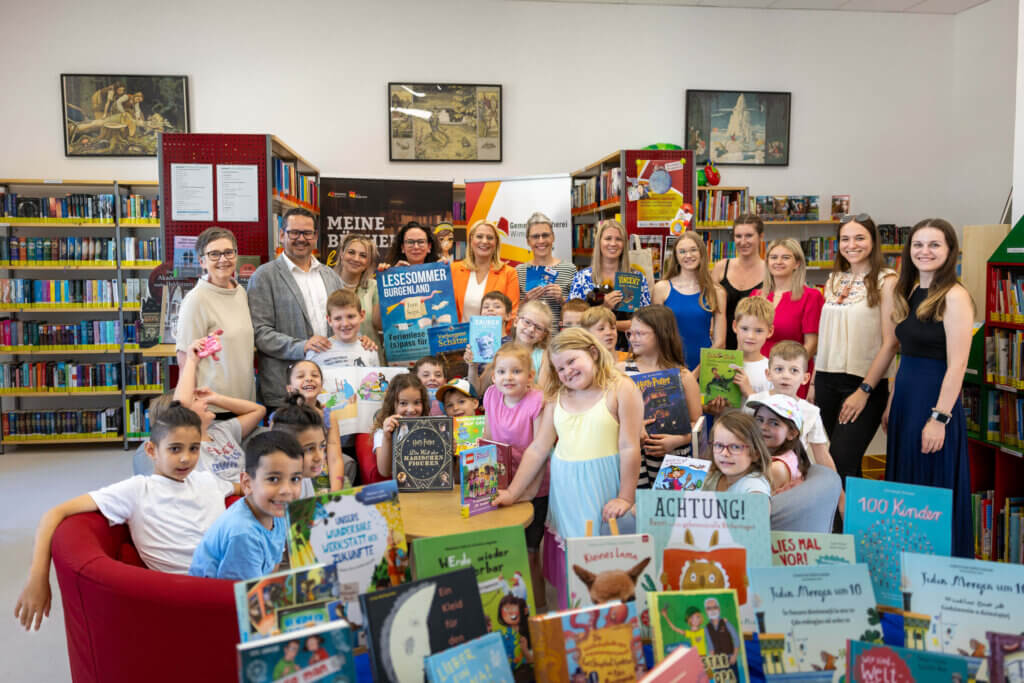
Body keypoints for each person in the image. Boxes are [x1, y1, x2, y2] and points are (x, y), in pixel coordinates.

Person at [14, 399, 237, 631]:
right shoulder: (138, 489)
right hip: (191, 594)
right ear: (152, 450)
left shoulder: (207, 480)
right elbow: (54, 514)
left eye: (194, 448)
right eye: (174, 449)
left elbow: (247, 488)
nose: (186, 458)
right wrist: (38, 578)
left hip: (234, 578)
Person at [494, 328, 643, 608]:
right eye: (559, 368)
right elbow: (538, 448)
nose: (567, 371)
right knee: (573, 572)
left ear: (593, 353)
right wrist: (513, 492)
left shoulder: (620, 388)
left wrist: (626, 496)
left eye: (572, 361)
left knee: (606, 560)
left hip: (604, 490)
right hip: (567, 495)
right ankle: (573, 628)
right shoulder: (556, 397)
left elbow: (629, 446)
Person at [883, 218, 973, 558]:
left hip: (935, 405)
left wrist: (939, 417)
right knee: (907, 491)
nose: (925, 251)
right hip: (906, 402)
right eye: (918, 244)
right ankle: (906, 573)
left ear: (949, 251)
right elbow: (904, 356)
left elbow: (958, 365)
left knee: (932, 491)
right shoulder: (907, 292)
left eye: (934, 245)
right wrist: (892, 403)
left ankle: (939, 573)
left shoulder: (955, 296)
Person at [814, 214, 897, 487]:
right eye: (845, 239)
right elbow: (825, 337)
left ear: (873, 241)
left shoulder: (887, 280)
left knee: (843, 459)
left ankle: (850, 529)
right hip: (826, 380)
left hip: (863, 383)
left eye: (860, 237)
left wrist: (864, 391)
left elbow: (891, 342)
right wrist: (815, 383)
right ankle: (842, 527)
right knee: (826, 463)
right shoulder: (835, 279)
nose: (852, 245)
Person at [248, 208, 344, 410]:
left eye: (307, 233)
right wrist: (302, 346)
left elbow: (342, 324)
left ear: (315, 237)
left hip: (327, 390)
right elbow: (260, 333)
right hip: (285, 391)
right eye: (294, 232)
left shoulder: (330, 276)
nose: (301, 238)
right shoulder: (264, 276)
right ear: (282, 235)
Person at [483, 342, 548, 610]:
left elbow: (539, 452)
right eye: (501, 372)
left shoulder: (537, 401)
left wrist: (524, 493)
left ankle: (540, 610)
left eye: (516, 371)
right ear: (493, 375)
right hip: (500, 484)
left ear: (530, 377)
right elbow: (486, 438)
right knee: (506, 550)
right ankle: (512, 609)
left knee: (531, 552)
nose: (508, 377)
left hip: (535, 486)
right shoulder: (490, 395)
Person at [189, 431, 303, 580]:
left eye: (295, 479)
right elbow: (244, 597)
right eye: (274, 479)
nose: (286, 490)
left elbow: (273, 566)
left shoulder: (277, 511)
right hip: (216, 598)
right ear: (247, 483)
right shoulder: (243, 533)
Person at [619, 305, 702, 487]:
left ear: (661, 334)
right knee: (636, 508)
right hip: (636, 458)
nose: (633, 339)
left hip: (675, 458)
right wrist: (631, 427)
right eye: (630, 333)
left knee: (674, 511)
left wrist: (679, 440)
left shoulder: (683, 376)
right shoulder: (620, 372)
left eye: (640, 333)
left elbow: (698, 423)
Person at [175, 227, 256, 410]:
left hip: (244, 403)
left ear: (236, 256)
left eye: (228, 252)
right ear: (202, 261)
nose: (223, 259)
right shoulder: (196, 300)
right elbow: (185, 361)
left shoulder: (240, 292)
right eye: (214, 254)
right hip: (212, 408)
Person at [744, 341, 839, 487]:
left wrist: (840, 496)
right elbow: (743, 440)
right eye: (779, 369)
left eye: (794, 370)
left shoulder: (810, 411)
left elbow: (822, 455)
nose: (785, 376)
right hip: (753, 475)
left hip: (791, 481)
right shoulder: (755, 401)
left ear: (805, 378)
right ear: (768, 374)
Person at [175, 338, 266, 482]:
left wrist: (215, 397)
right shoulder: (189, 445)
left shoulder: (222, 431)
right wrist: (191, 361)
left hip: (250, 488)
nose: (203, 401)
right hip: (227, 495)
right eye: (196, 400)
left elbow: (258, 411)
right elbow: (181, 403)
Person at [751, 239, 823, 399]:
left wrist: (785, 372)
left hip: (790, 376)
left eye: (785, 257)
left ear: (797, 263)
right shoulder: (756, 295)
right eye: (774, 257)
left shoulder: (811, 296)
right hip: (759, 373)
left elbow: (812, 344)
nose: (778, 262)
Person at [569, 219, 650, 349]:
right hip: (591, 349)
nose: (613, 243)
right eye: (608, 238)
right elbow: (573, 321)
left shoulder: (636, 278)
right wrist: (604, 308)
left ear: (624, 244)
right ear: (599, 242)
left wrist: (611, 325)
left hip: (630, 350)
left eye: (618, 239)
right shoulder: (582, 278)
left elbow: (646, 322)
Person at [654, 231, 726, 371]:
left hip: (705, 367)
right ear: (675, 256)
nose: (688, 255)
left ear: (701, 253)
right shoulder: (661, 289)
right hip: (669, 366)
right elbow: (656, 336)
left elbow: (720, 342)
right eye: (682, 251)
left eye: (693, 250)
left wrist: (696, 374)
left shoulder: (717, 292)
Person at [515, 212, 577, 330]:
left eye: (545, 235)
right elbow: (512, 313)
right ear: (528, 241)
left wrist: (562, 299)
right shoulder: (519, 271)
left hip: (560, 341)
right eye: (535, 236)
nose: (541, 240)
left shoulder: (570, 269)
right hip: (528, 339)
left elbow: (579, 315)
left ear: (553, 237)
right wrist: (526, 301)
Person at [711, 215, 765, 350]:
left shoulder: (770, 271)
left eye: (749, 235)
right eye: (738, 236)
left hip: (756, 350)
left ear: (761, 237)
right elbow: (708, 306)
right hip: (721, 349)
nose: (743, 241)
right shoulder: (721, 268)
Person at [451, 219, 519, 323]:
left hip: (493, 338)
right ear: (471, 240)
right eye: (479, 236)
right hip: (458, 338)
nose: (484, 241)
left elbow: (512, 314)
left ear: (496, 243)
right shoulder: (453, 269)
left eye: (490, 238)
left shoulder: (509, 273)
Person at [270, 393, 329, 498]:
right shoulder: (274, 495)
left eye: (322, 446)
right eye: (310, 449)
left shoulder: (305, 477)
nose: (319, 457)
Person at [749, 394, 810, 494]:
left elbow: (756, 506)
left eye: (774, 423)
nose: (763, 427)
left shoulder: (777, 468)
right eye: (759, 420)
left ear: (792, 433)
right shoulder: (786, 455)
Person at [702, 409, 772, 495]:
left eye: (735, 447)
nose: (724, 453)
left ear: (755, 454)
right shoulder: (713, 476)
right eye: (719, 445)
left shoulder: (755, 486)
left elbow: (759, 502)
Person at [333, 234, 382, 353]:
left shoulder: (374, 287)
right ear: (341, 254)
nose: (356, 259)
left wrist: (388, 283)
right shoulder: (325, 283)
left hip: (370, 358)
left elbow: (379, 324)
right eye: (351, 252)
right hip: (335, 358)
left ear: (368, 262)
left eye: (363, 255)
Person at [306, 289, 381, 367]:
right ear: (329, 320)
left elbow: (375, 378)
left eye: (350, 316)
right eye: (338, 318)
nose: (345, 324)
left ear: (362, 315)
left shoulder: (370, 349)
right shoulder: (316, 352)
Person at [373, 374, 429, 479]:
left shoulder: (430, 429)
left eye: (417, 402)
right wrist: (387, 438)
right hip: (402, 490)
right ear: (392, 405)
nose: (411, 409)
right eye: (403, 403)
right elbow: (384, 471)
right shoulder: (382, 433)